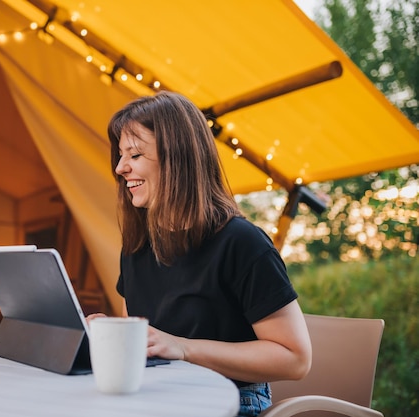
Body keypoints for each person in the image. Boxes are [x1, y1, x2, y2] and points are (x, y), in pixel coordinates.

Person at [91, 91, 312, 417]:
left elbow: (295, 358)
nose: (120, 168)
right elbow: (149, 336)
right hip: (160, 394)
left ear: (177, 157)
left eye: (135, 155)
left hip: (231, 398)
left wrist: (184, 348)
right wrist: (112, 334)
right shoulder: (138, 245)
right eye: (120, 155)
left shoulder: (242, 242)